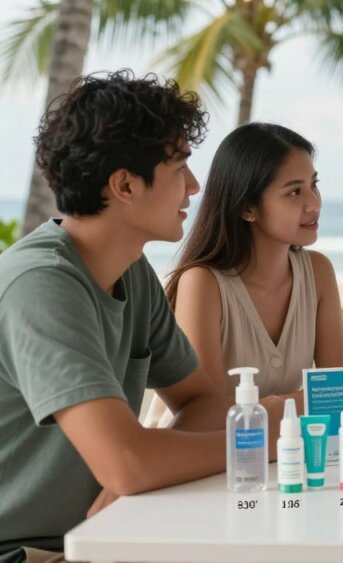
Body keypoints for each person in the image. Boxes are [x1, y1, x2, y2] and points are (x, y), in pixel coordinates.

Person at [0, 71, 248, 562]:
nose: (195, 187)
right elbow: (128, 463)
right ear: (125, 185)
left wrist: (140, 471)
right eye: (180, 167)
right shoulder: (40, 283)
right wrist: (257, 440)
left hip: (100, 538)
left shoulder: (131, 271)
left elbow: (202, 397)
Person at [145, 123, 343, 426]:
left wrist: (313, 403)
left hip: (274, 453)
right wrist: (308, 402)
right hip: (197, 460)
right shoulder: (203, 283)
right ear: (247, 208)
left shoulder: (318, 273)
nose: (314, 203)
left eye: (313, 185)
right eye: (294, 192)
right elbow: (210, 416)